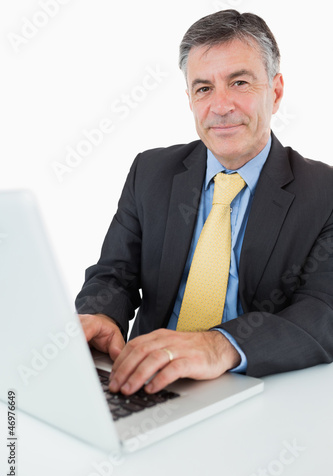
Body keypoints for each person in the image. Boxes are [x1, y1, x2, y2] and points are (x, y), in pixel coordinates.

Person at [75, 9, 333, 396]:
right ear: (190, 99)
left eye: (240, 82)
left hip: (253, 390)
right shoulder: (151, 171)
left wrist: (221, 345)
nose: (221, 105)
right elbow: (115, 273)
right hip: (146, 383)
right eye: (204, 88)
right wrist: (101, 314)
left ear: (275, 92)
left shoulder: (324, 192)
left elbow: (323, 310)